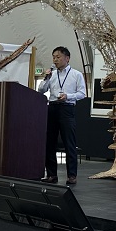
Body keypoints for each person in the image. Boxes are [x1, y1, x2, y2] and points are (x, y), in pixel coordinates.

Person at [38, 46, 86, 185]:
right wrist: (46, 77)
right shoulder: (52, 74)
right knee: (49, 143)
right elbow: (41, 90)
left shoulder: (76, 74)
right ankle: (52, 174)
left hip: (67, 108)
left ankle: (72, 175)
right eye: (53, 57)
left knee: (69, 143)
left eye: (58, 57)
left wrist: (68, 96)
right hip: (52, 108)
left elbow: (82, 93)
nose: (55, 59)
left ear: (67, 58)